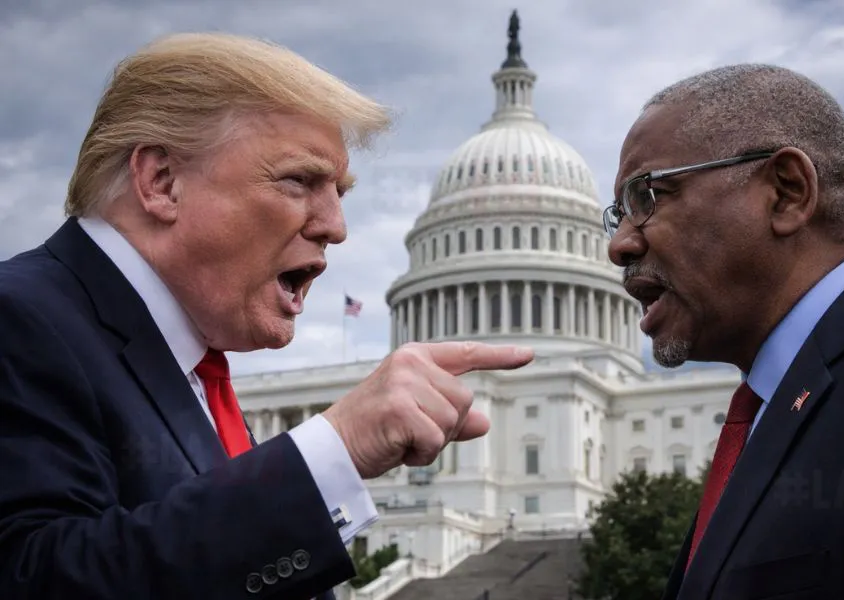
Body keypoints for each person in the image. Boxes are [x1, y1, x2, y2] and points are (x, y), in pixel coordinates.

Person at [0, 33, 533, 600]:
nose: (336, 225)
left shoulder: (186, 373)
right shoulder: (18, 321)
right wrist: (334, 449)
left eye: (340, 192)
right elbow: (38, 580)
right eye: (299, 180)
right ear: (161, 183)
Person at [604, 63, 844, 600]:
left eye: (648, 197)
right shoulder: (776, 406)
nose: (620, 245)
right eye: (619, 215)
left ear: (787, 192)